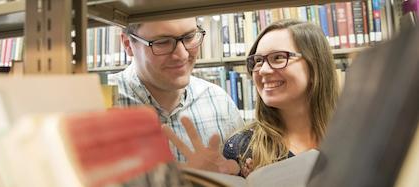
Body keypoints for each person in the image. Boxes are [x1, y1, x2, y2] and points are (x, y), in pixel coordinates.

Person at [162, 19, 339, 176]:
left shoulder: (355, 136)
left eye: (278, 58)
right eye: (258, 61)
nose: (263, 70)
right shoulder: (242, 148)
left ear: (315, 66)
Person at [109, 18, 244, 161]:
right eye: (163, 42)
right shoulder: (100, 103)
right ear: (128, 44)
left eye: (189, 37)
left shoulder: (219, 101)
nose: (182, 55)